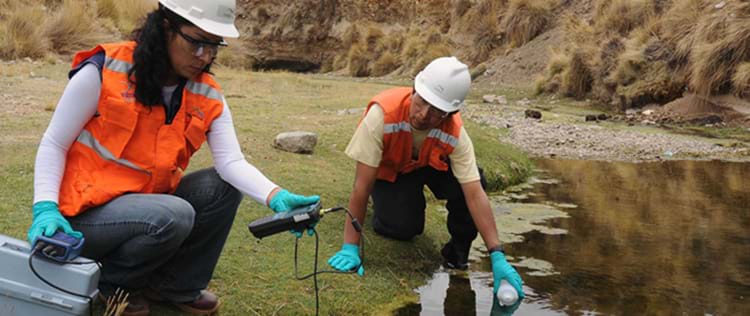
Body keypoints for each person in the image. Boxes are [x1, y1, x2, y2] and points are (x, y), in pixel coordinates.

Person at [25, 0, 318, 315]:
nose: (204, 56)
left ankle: (174, 286)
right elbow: (54, 143)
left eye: (213, 45)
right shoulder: (106, 68)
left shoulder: (206, 92)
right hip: (85, 215)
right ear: (166, 27)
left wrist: (277, 197)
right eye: (196, 42)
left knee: (222, 188)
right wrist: (45, 208)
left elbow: (231, 164)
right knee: (174, 214)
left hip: (150, 209)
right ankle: (113, 286)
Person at [326, 57, 525, 304]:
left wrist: (497, 254)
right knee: (403, 229)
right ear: (414, 89)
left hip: (429, 166)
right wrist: (350, 246)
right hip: (391, 174)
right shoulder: (382, 115)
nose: (423, 115)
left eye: (437, 111)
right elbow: (361, 186)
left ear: (450, 112)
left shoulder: (455, 132)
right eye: (421, 102)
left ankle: (457, 253)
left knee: (476, 182)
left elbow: (474, 193)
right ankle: (386, 208)